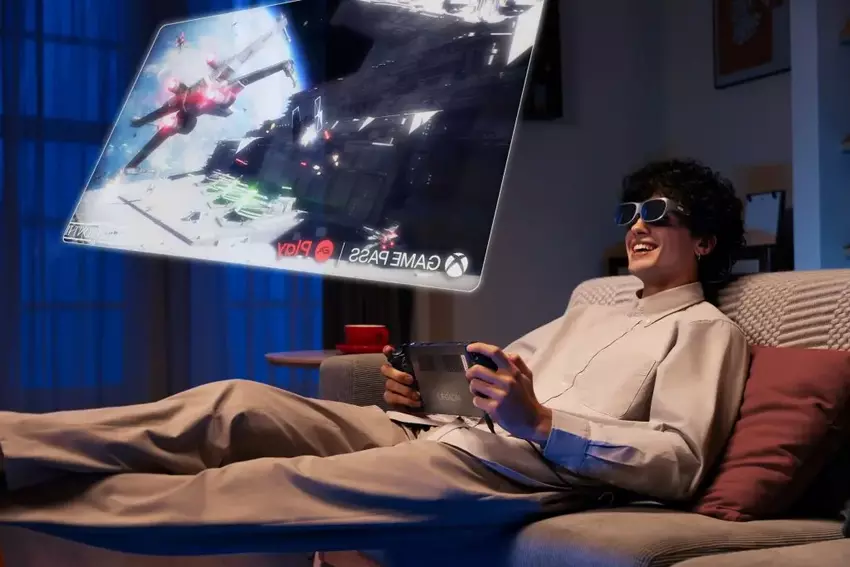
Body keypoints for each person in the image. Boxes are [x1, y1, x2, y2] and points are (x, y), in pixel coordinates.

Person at [0, 158, 749, 557]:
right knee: (233, 402)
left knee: (259, 487)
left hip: (513, 471)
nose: (636, 226)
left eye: (658, 214)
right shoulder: (590, 307)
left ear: (706, 240)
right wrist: (423, 392)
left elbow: (680, 459)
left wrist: (545, 422)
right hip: (437, 434)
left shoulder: (708, 331)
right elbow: (491, 380)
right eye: (630, 213)